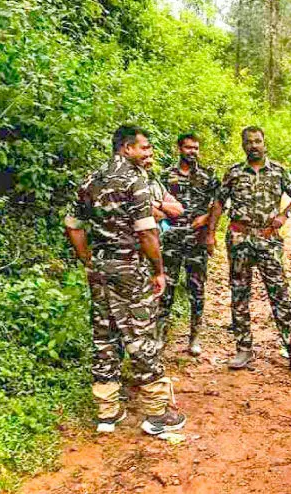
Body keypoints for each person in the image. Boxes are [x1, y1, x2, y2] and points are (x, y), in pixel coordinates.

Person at [64, 125, 186, 435]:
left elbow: (72, 225)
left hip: (101, 269)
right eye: (144, 148)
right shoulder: (135, 182)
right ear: (126, 148)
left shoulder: (90, 180)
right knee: (140, 333)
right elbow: (146, 232)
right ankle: (158, 413)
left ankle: (108, 412)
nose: (149, 153)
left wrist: (87, 259)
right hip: (130, 269)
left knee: (104, 335)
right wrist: (158, 269)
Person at [206, 126, 291, 374]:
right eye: (249, 142)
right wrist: (210, 233)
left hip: (267, 239)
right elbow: (219, 203)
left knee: (280, 295)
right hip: (240, 238)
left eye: (258, 141)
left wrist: (284, 215)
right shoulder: (233, 173)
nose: (254, 145)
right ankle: (243, 348)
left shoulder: (278, 171)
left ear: (265, 144)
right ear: (243, 145)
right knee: (240, 294)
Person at [158, 133, 220, 356]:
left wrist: (205, 220)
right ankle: (161, 336)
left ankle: (194, 337)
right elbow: (155, 203)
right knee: (166, 288)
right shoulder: (165, 175)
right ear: (179, 149)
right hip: (171, 239)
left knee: (196, 288)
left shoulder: (208, 175)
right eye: (188, 148)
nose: (192, 151)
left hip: (197, 240)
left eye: (196, 148)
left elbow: (220, 203)